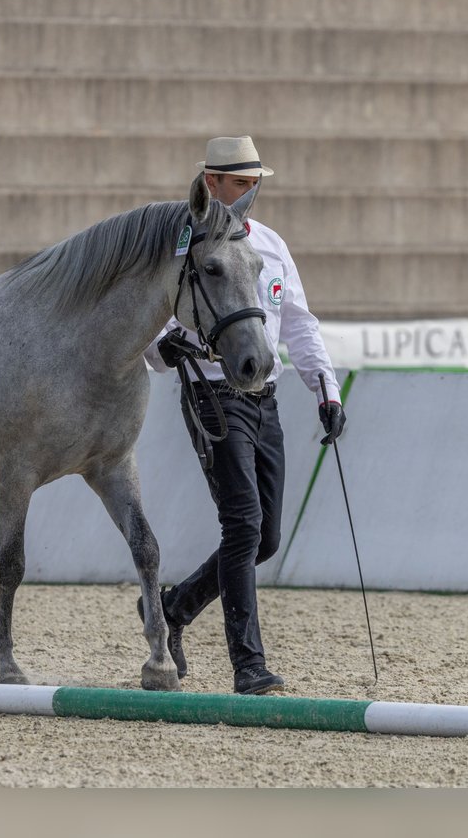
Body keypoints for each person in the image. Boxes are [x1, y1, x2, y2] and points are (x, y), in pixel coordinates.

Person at [141, 135, 347, 695]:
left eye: (255, 181)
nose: (251, 190)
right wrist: (167, 347)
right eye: (240, 182)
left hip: (266, 397)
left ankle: (174, 608)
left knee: (267, 539)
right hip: (212, 394)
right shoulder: (180, 246)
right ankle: (248, 666)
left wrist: (326, 390)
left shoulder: (271, 245)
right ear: (212, 184)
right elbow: (152, 330)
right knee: (244, 525)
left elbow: (299, 323)